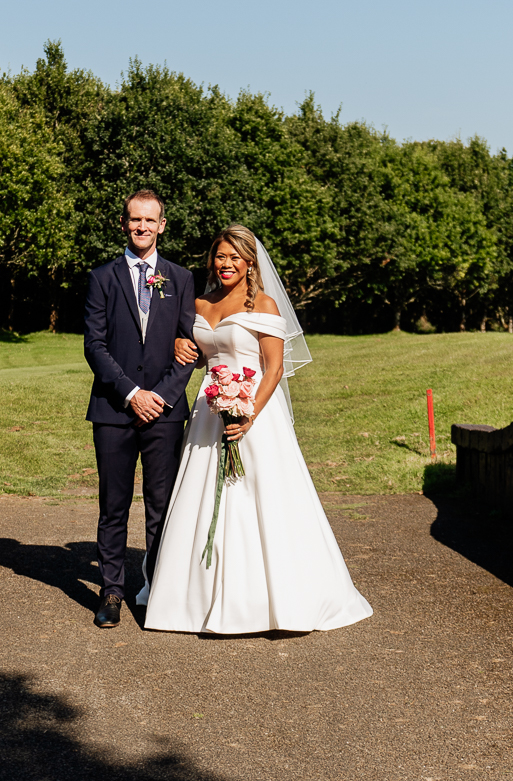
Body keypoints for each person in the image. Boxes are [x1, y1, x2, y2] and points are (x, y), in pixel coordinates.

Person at [137, 224, 374, 635]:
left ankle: (271, 600)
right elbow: (194, 354)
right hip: (208, 415)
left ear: (250, 263)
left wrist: (249, 414)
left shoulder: (264, 305)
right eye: (220, 256)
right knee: (199, 497)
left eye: (235, 258)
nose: (226, 264)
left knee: (259, 500)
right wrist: (181, 347)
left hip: (256, 415)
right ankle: (191, 599)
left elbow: (275, 368)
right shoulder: (199, 303)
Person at [81, 189, 202, 628]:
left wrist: (163, 396)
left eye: (150, 221)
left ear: (162, 225)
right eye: (135, 220)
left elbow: (190, 349)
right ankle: (112, 592)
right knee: (113, 505)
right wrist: (134, 393)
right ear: (123, 222)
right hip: (114, 409)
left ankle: (158, 590)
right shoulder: (102, 277)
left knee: (161, 504)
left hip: (166, 413)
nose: (142, 227)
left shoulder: (181, 278)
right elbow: (94, 345)